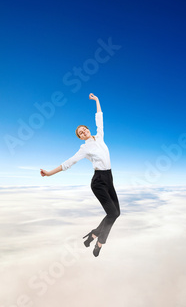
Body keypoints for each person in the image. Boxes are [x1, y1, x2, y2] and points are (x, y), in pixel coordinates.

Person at [40, 93, 120, 257]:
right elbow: (68, 163)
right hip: (98, 182)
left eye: (85, 129)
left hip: (109, 178)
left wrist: (97, 100)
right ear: (80, 137)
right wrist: (49, 174)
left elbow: (100, 119)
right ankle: (98, 243)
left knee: (116, 213)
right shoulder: (84, 149)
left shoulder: (100, 137)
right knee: (112, 214)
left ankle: (93, 234)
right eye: (80, 133)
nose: (84, 132)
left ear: (89, 130)